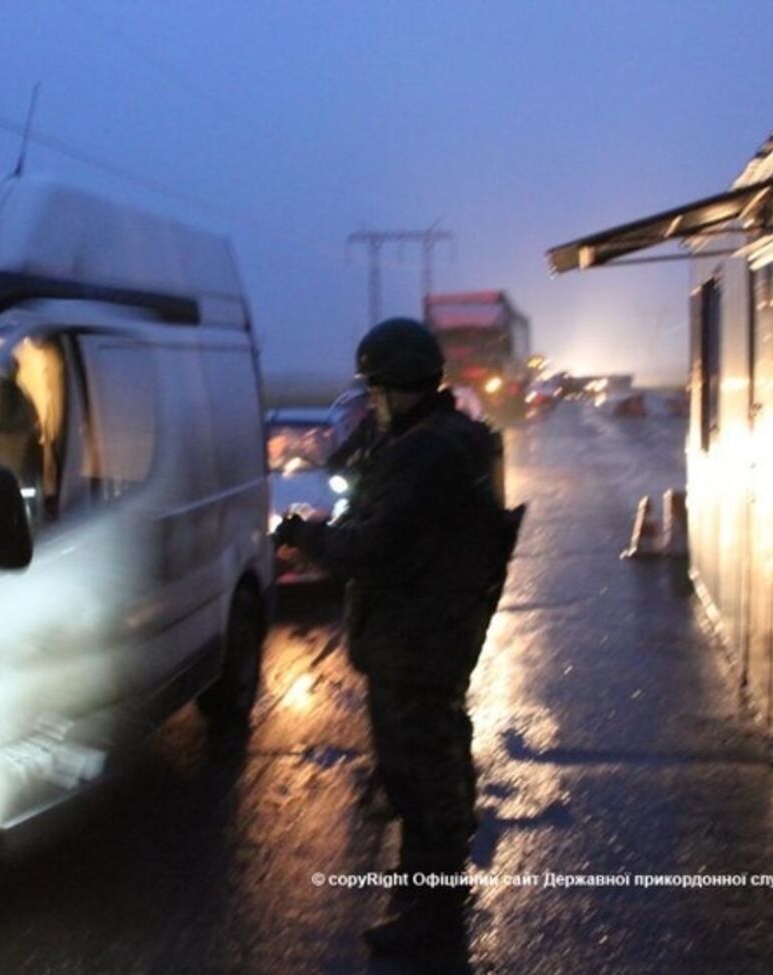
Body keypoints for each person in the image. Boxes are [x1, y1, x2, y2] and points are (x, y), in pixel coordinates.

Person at [275, 317, 517, 956]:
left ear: (403, 387)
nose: (373, 404)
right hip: (435, 637)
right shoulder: (453, 440)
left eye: (378, 392)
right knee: (429, 767)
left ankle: (431, 912)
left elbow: (368, 546)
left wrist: (305, 535)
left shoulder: (425, 453)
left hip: (417, 642)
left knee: (421, 777)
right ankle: (424, 892)